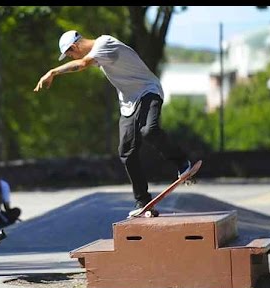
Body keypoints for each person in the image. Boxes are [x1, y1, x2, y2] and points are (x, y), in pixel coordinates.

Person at [34, 30, 192, 217]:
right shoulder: (99, 54)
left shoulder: (105, 44)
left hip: (148, 92)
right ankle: (143, 200)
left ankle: (182, 162)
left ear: (74, 47)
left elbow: (82, 64)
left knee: (149, 131)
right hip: (128, 103)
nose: (72, 57)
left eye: (70, 54)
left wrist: (53, 71)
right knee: (126, 151)